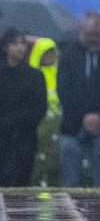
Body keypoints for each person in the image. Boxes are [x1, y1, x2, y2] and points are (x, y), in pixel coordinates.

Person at [58, 11, 100, 186]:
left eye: (97, 35)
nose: (94, 39)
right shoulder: (69, 54)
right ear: (82, 32)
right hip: (72, 128)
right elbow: (64, 90)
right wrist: (83, 117)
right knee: (69, 183)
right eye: (90, 35)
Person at [0, 28, 47, 186]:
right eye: (14, 43)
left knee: (21, 182)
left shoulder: (34, 76)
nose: (20, 47)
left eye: (22, 43)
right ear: (6, 47)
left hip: (25, 138)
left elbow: (39, 107)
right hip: (3, 138)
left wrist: (15, 121)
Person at [27, 37, 61, 186]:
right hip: (38, 124)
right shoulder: (31, 76)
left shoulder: (60, 73)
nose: (50, 57)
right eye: (46, 53)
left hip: (57, 123)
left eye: (52, 53)